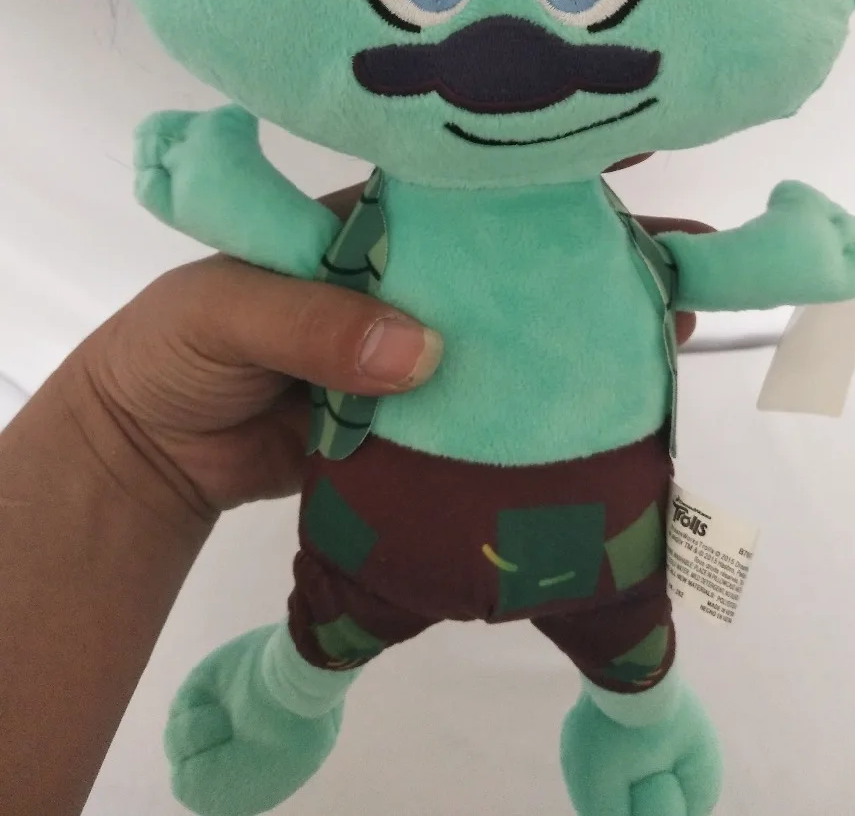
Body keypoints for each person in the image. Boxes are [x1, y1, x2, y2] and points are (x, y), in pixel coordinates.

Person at [0, 170, 708, 816]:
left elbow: (721, 265)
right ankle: (289, 695)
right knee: (331, 633)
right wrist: (127, 440)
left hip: (520, 546)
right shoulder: (404, 220)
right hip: (467, 540)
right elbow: (293, 245)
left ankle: (641, 718)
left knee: (621, 633)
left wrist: (126, 447)